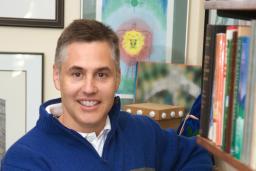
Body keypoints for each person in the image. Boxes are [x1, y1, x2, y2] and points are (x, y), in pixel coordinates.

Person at [1, 19, 212, 171]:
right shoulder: (24, 160)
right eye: (77, 74)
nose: (89, 88)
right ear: (57, 76)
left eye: (102, 74)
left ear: (117, 77)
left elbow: (197, 155)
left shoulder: (144, 131)